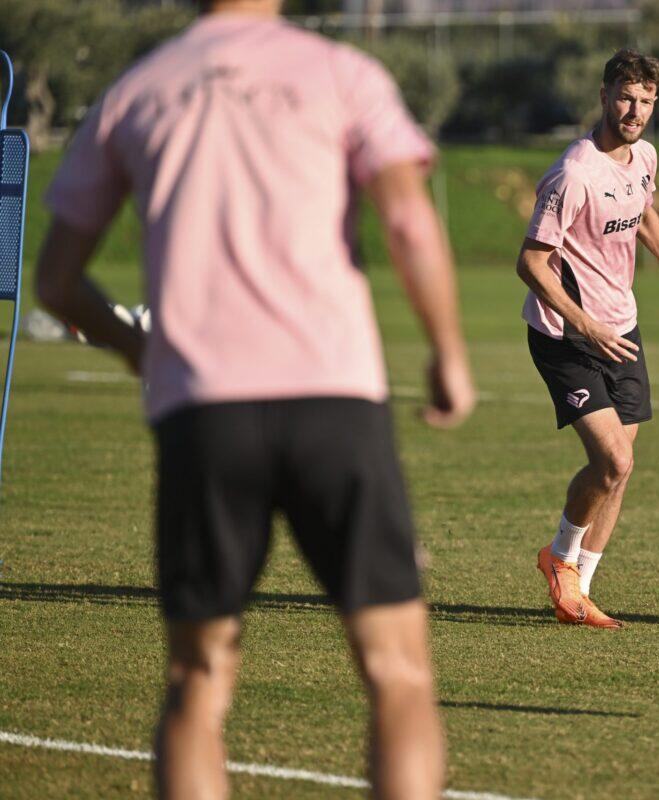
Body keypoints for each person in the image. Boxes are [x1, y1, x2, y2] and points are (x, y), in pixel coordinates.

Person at [35, 2, 475, 798]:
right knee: (399, 673)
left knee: (197, 684)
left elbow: (57, 282)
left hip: (203, 413)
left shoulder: (137, 90)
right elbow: (407, 218)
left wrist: (142, 349)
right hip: (333, 402)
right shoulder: (343, 74)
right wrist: (447, 351)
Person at [517, 50, 659, 630]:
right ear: (603, 95)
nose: (635, 110)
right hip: (566, 336)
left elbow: (643, 213)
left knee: (623, 468)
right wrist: (582, 321)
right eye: (625, 96)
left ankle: (579, 591)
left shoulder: (644, 156)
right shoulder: (573, 174)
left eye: (645, 101)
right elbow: (532, 263)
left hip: (622, 328)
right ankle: (560, 558)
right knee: (612, 459)